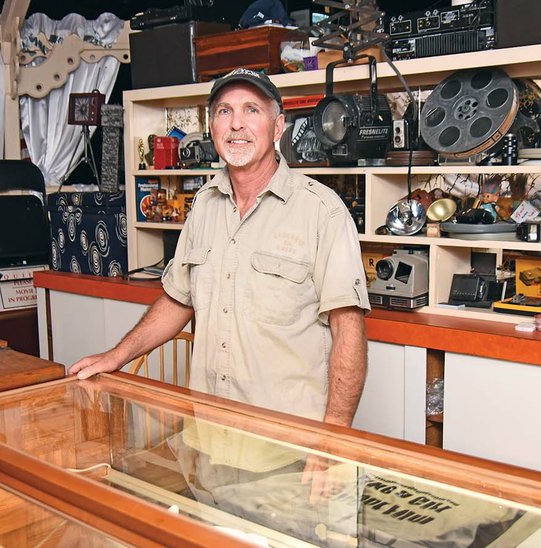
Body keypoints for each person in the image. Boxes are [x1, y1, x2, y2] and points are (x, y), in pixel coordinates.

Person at [69, 67, 370, 506]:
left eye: (252, 110)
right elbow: (176, 301)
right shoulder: (204, 207)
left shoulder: (322, 212)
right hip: (208, 443)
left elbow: (349, 330)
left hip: (289, 457)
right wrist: (116, 356)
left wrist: (333, 440)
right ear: (211, 127)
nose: (237, 124)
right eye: (224, 111)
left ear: (278, 125)